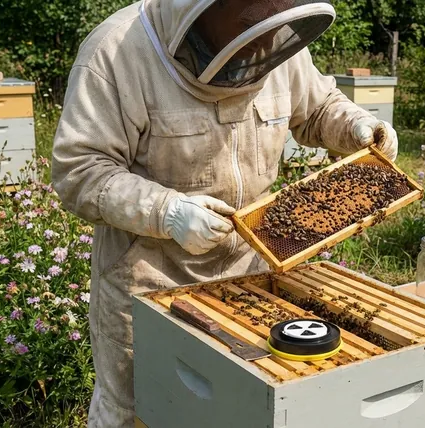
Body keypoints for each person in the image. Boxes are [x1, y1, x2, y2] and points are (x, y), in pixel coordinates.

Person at [51, 0, 398, 426]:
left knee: (235, 411)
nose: (264, 48)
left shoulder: (274, 35)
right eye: (252, 30)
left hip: (251, 275)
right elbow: (79, 171)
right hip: (149, 280)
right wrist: (168, 211)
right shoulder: (116, 53)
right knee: (140, 412)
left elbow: (319, 105)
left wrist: (358, 126)